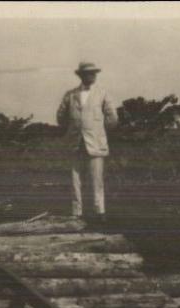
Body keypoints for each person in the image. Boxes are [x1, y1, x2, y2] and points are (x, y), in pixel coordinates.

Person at [56, 62, 118, 222]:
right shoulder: (70, 95)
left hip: (96, 142)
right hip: (75, 142)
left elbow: (112, 118)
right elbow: (60, 117)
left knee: (96, 179)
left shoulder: (103, 93)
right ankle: (77, 212)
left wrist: (99, 131)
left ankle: (99, 211)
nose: (91, 76)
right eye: (88, 73)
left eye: (94, 73)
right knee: (75, 178)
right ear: (80, 75)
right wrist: (72, 129)